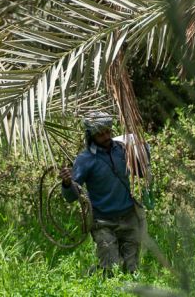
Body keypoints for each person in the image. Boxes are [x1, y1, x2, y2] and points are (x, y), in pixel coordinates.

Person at [58, 111, 147, 275]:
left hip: (129, 217)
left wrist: (143, 152)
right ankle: (92, 276)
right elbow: (71, 196)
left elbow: (141, 173)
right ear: (91, 136)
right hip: (103, 223)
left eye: (108, 131)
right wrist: (66, 183)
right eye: (100, 134)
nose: (106, 136)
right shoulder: (84, 160)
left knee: (132, 269)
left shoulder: (122, 149)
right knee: (110, 269)